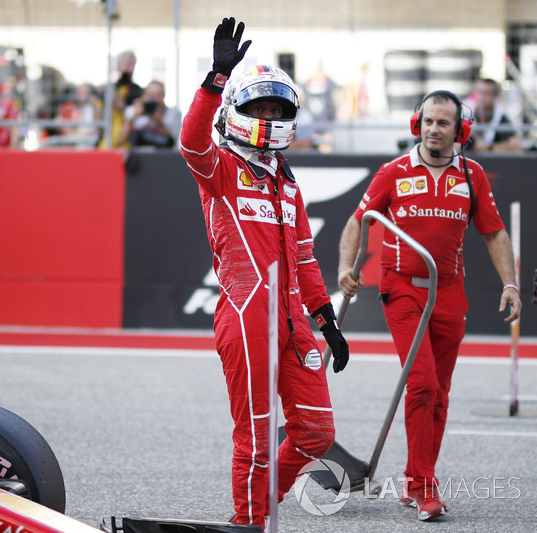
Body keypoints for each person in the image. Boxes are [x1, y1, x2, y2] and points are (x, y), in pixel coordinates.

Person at [179, 18, 350, 526]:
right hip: (246, 315)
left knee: (317, 431)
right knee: (254, 437)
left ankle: (258, 506)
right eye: (259, 108)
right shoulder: (221, 169)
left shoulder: (288, 183)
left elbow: (304, 257)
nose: (269, 116)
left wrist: (327, 320)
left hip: (296, 321)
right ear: (237, 113)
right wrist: (216, 80)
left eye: (277, 109)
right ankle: (249, 519)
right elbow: (191, 142)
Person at [337, 89, 521, 521]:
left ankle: (416, 477)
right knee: (422, 384)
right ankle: (423, 488)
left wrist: (509, 283)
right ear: (416, 123)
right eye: (429, 121)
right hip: (401, 290)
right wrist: (347, 265)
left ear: (460, 131)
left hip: (450, 292)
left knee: (440, 394)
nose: (435, 130)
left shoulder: (473, 176)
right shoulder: (393, 172)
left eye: (444, 123)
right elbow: (356, 220)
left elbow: (493, 233)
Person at [464, 78, 522, 152]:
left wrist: (488, 148)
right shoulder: (465, 112)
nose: (482, 97)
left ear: (496, 96)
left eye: (487, 93)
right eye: (480, 92)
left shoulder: (500, 114)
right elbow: (455, 144)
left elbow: (516, 145)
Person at [118, 80, 181, 149]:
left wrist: (159, 122)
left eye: (157, 95)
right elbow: (121, 140)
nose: (153, 99)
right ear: (144, 95)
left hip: (165, 156)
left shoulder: (173, 113)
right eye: (150, 95)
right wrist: (133, 117)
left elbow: (174, 142)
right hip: (138, 157)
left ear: (163, 95)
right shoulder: (134, 111)